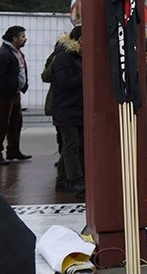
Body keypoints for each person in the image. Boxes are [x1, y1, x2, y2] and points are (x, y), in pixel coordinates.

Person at [52, 26, 85, 197]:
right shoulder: (64, 57)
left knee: (71, 145)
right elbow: (63, 82)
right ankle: (75, 181)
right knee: (72, 145)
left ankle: (62, 180)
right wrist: (85, 76)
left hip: (74, 108)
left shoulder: (76, 56)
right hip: (66, 109)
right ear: (80, 39)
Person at [0, 25, 31, 165]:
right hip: (5, 96)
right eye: (22, 36)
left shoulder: (17, 52)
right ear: (14, 38)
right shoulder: (4, 54)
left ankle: (13, 150)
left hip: (15, 94)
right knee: (1, 124)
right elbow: (0, 77)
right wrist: (5, 93)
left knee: (15, 123)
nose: (25, 39)